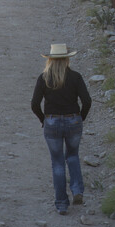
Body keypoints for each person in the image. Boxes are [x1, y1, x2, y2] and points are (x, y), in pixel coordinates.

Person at [31, 43, 92, 215]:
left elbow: (34, 104)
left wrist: (44, 119)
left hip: (52, 122)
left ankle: (61, 204)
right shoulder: (75, 77)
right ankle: (77, 190)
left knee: (57, 162)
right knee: (72, 156)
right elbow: (87, 101)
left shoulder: (43, 78)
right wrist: (80, 118)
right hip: (73, 121)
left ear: (49, 60)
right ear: (67, 59)